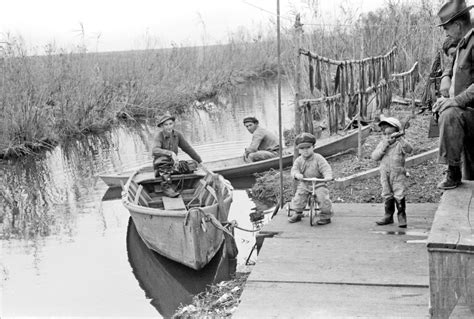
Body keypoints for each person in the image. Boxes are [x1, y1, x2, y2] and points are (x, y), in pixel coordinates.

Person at [433, 0, 474, 189]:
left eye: (447, 29)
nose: (446, 33)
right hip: (467, 113)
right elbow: (455, 63)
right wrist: (446, 77)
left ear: (458, 25)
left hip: (469, 111)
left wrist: (454, 101)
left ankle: (453, 172)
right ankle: (457, 170)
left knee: (450, 114)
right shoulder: (463, 41)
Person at [371, 116, 413, 228]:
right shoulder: (383, 143)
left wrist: (400, 139)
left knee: (399, 193)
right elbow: (374, 157)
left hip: (398, 173)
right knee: (386, 193)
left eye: (388, 127)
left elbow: (409, 149)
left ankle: (401, 216)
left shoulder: (400, 144)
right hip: (385, 173)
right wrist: (384, 146)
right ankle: (388, 215)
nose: (385, 131)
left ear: (396, 129)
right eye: (384, 130)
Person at [151, 112, 202, 197]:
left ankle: (176, 179)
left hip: (173, 165)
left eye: (170, 124)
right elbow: (154, 150)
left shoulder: (177, 135)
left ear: (173, 124)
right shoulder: (159, 136)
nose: (169, 127)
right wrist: (170, 153)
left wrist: (200, 161)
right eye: (166, 125)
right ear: (162, 126)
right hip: (161, 168)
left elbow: (188, 149)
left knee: (193, 164)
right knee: (163, 160)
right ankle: (166, 187)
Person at [287, 132, 333, 225]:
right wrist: (297, 174)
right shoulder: (299, 160)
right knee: (299, 197)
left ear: (313, 147)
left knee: (323, 198)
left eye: (308, 147)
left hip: (318, 183)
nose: (305, 150)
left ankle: (326, 216)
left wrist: (328, 176)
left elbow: (325, 168)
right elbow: (294, 170)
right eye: (302, 148)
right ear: (298, 150)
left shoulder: (318, 158)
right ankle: (298, 213)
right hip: (305, 183)